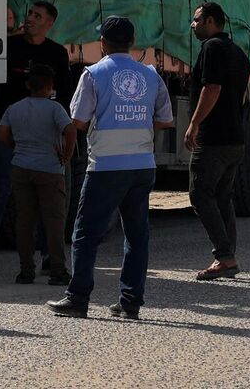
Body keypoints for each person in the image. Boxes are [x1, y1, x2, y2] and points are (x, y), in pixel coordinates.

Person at [49, 16, 173, 320]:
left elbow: (78, 121)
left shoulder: (93, 74)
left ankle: (77, 298)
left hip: (105, 166)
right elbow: (166, 120)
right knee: (136, 234)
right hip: (142, 165)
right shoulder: (151, 75)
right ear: (132, 43)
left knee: (86, 233)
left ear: (102, 43)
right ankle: (131, 301)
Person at [0, 1, 70, 277]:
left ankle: (50, 257)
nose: (29, 19)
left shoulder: (57, 54)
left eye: (37, 16)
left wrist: (62, 139)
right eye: (29, 14)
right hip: (12, 130)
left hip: (44, 136)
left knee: (48, 198)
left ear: (49, 23)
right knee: (2, 190)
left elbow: (65, 98)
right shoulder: (10, 48)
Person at [183, 1, 249, 281]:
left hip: (215, 139)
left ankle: (224, 256)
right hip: (235, 137)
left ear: (211, 21)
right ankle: (228, 255)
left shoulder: (212, 48)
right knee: (222, 196)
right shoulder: (238, 52)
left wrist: (194, 124)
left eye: (196, 20)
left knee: (200, 193)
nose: (192, 25)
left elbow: (212, 88)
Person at [3, 64, 75, 285]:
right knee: (54, 221)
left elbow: (1, 134)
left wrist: (17, 146)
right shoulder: (55, 109)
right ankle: (57, 271)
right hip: (50, 170)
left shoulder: (14, 108)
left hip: (21, 168)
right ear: (50, 86)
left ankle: (26, 271)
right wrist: (67, 155)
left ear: (28, 85)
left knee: (25, 221)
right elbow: (70, 130)